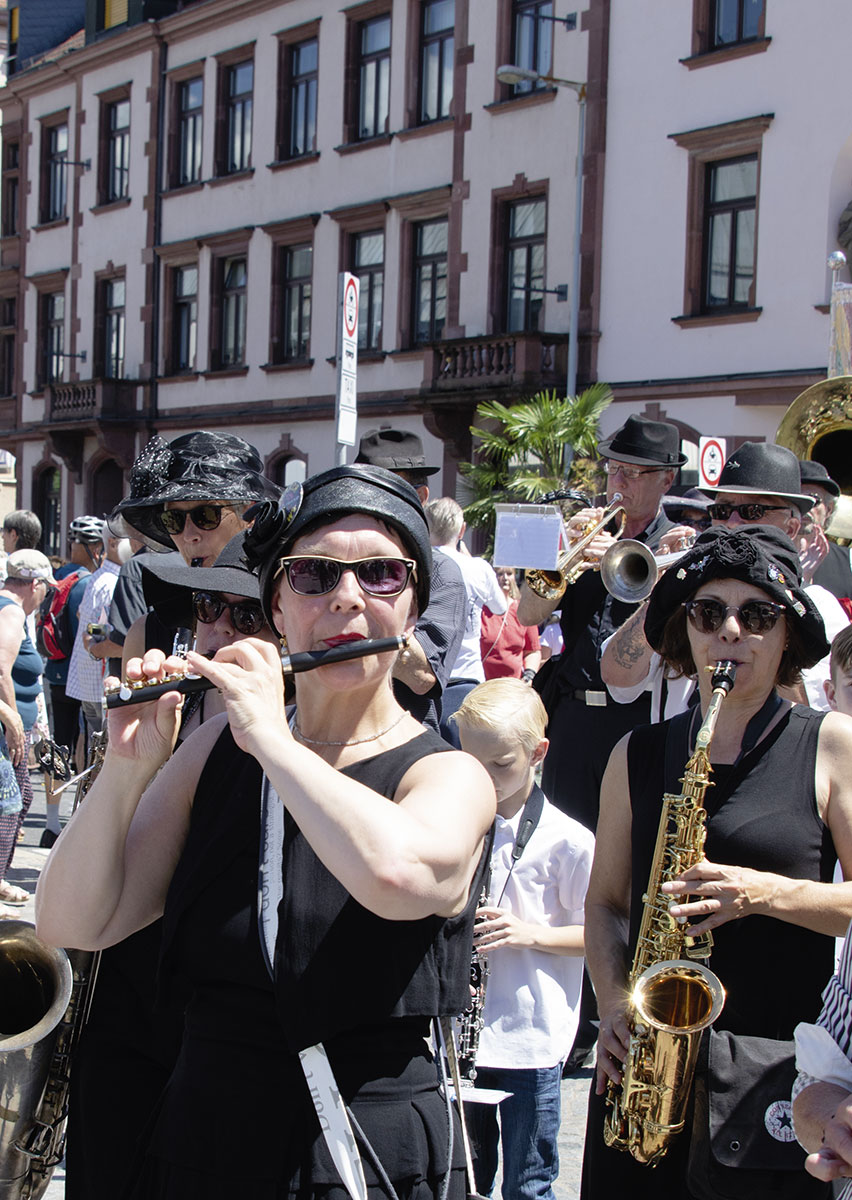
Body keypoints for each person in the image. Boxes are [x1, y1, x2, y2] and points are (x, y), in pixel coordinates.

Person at [36, 464, 496, 1199]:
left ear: (412, 608)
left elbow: (403, 879)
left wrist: (273, 742)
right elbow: (74, 921)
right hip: (207, 1134)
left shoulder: (445, 775)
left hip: (358, 1147)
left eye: (380, 574)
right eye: (313, 575)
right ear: (278, 604)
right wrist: (127, 769)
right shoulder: (214, 754)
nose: (346, 596)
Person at [582, 525, 852, 1198]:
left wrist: (762, 894)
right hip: (642, 1074)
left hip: (769, 1079)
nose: (732, 631)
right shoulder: (637, 753)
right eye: (710, 613)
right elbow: (607, 904)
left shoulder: (832, 745)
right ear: (687, 631)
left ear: (786, 635)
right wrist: (614, 1002)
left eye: (757, 615)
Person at [65, 531, 280, 1200]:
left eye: (242, 615)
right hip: (128, 1012)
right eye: (207, 608)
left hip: (225, 1050)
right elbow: (69, 917)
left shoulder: (301, 746)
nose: (215, 629)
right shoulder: (170, 715)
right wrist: (124, 768)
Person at [452, 678, 594, 1200]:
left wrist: (527, 933)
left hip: (529, 1040)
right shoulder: (457, 823)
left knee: (528, 1183)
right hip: (461, 1036)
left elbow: (596, 936)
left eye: (501, 764)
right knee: (462, 1179)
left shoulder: (570, 840)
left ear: (538, 754)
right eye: (471, 762)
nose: (484, 779)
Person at [517, 413, 685, 832]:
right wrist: (561, 551)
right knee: (560, 844)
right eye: (613, 470)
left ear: (666, 480)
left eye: (632, 473)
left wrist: (626, 556)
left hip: (636, 718)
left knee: (625, 847)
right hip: (572, 716)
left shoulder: (674, 543)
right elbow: (527, 614)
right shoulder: (585, 532)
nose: (618, 483)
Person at [108, 430, 280, 666]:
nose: (189, 535)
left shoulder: (284, 614)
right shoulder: (147, 634)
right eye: (174, 520)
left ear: (249, 513)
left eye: (206, 515)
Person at [355, 428, 467, 729]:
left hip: (405, 744)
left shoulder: (441, 571)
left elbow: (422, 676)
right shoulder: (340, 560)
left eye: (386, 491)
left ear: (420, 497)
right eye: (362, 488)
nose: (369, 502)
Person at [424, 497, 507, 743]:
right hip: (466, 677)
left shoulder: (419, 563)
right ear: (461, 530)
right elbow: (500, 607)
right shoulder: (478, 568)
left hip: (425, 676)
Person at [0, 550, 55, 895]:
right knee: (7, 808)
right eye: (46, 590)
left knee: (19, 800)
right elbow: (0, 668)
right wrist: (12, 720)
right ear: (34, 585)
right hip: (4, 733)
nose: (45, 596)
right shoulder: (11, 614)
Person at [65, 526, 132, 753]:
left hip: (87, 677)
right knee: (101, 749)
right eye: (131, 538)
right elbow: (109, 633)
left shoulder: (99, 577)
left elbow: (84, 619)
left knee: (91, 743)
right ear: (112, 542)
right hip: (101, 679)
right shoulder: (113, 581)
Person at [799, 460, 852, 604]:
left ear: (829, 509)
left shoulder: (849, 561)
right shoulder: (765, 554)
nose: (805, 508)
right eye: (798, 499)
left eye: (814, 499)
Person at [480, 567, 541, 682]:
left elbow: (532, 651)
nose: (505, 578)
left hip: (512, 686)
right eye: (499, 574)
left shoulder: (524, 611)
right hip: (483, 685)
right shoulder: (480, 610)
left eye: (509, 573)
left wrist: (529, 675)